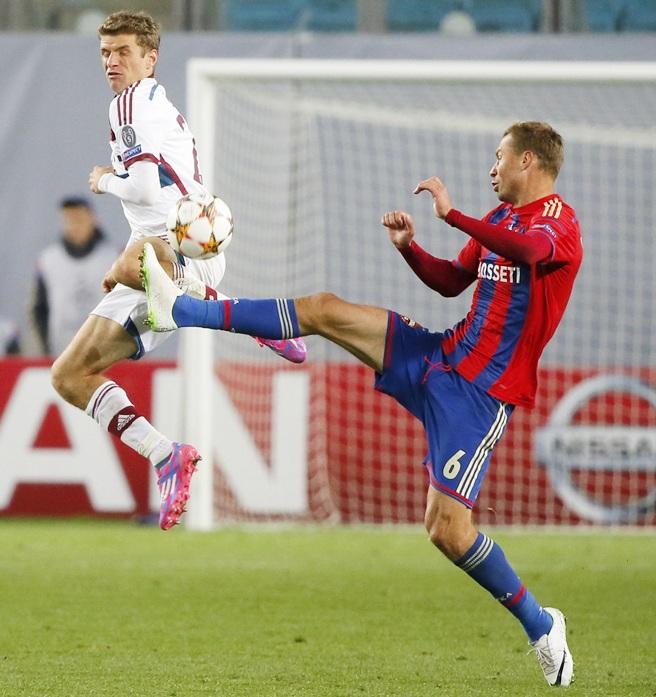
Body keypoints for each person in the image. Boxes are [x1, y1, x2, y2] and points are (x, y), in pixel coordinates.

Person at [141, 121, 582, 685]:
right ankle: (178, 308)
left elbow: (529, 251)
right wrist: (411, 249)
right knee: (324, 308)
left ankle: (542, 625)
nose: (490, 169)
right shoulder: (498, 220)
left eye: (498, 158)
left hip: (481, 396)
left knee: (447, 530)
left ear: (527, 160)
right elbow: (451, 282)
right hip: (441, 355)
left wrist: (451, 217)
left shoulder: (559, 224)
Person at [50, 10, 306, 532]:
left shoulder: (129, 102)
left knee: (126, 264)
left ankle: (248, 316)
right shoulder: (154, 102)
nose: (111, 62)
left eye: (123, 52)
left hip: (177, 246)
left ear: (151, 57)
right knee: (68, 376)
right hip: (180, 248)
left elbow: (144, 190)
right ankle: (166, 453)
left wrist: (102, 181)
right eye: (105, 53)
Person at [32, 197, 118, 356]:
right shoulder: (48, 261)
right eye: (68, 221)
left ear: (93, 220)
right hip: (60, 353)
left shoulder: (115, 259)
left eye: (79, 220)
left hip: (107, 355)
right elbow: (39, 310)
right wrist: (45, 350)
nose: (74, 226)